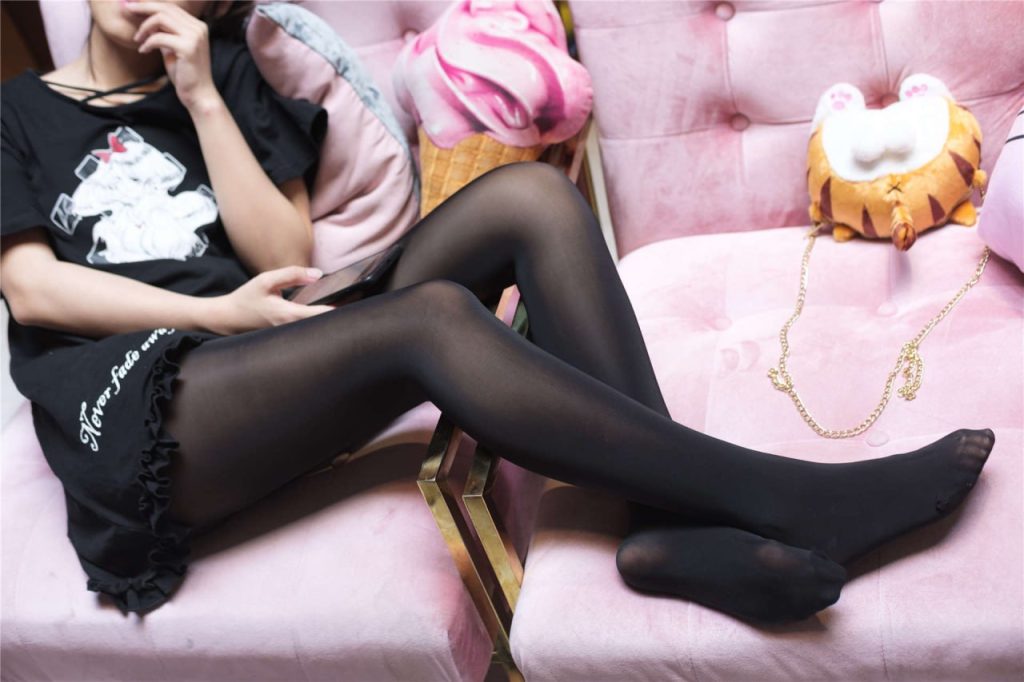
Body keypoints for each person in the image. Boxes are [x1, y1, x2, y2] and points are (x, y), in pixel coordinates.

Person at [0, 0, 994, 626]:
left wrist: (201, 97)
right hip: (143, 410)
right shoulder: (17, 112)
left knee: (532, 198)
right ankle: (786, 499)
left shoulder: (220, 76)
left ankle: (666, 530)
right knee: (431, 317)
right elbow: (32, 287)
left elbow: (280, 256)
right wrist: (217, 319)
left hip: (269, 346)